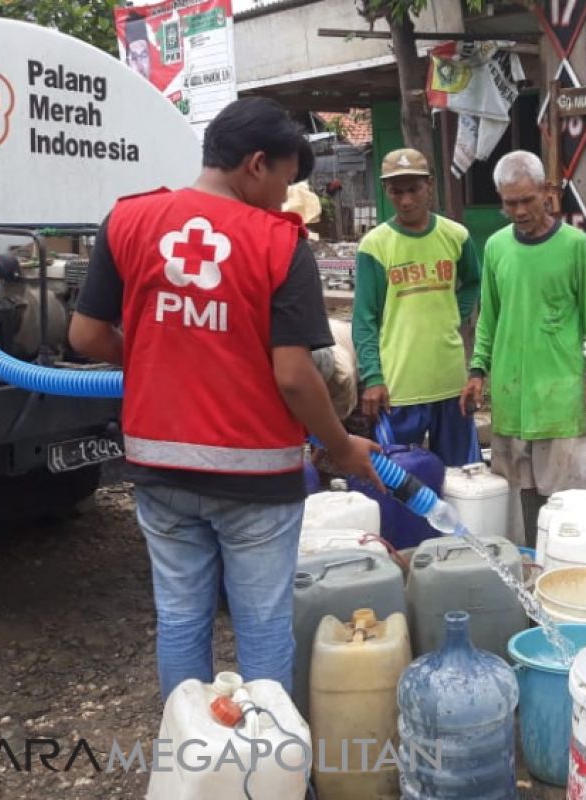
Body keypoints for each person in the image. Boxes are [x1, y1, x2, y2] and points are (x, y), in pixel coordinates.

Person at [68, 97, 380, 703]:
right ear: (256, 165)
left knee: (182, 618)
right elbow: (293, 374)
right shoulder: (277, 244)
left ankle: (190, 761)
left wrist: (164, 352)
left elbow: (84, 336)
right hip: (254, 475)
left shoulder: (127, 220)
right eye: (286, 181)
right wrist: (339, 446)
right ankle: (268, 773)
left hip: (158, 466)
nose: (287, 198)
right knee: (262, 626)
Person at [461, 150, 586, 545]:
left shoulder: (576, 246)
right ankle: (531, 565)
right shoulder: (495, 247)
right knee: (518, 492)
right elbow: (488, 317)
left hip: (559, 394)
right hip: (512, 395)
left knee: (568, 499)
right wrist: (477, 371)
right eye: (510, 203)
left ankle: (573, 567)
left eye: (527, 200)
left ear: (547, 191)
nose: (520, 210)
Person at [352, 148, 483, 466]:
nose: (406, 200)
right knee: (399, 480)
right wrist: (372, 377)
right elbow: (364, 318)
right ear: (386, 191)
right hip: (398, 387)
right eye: (397, 191)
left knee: (461, 475)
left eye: (414, 189)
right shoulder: (375, 245)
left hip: (450, 382)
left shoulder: (456, 236)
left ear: (430, 185)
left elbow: (474, 282)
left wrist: (454, 310)